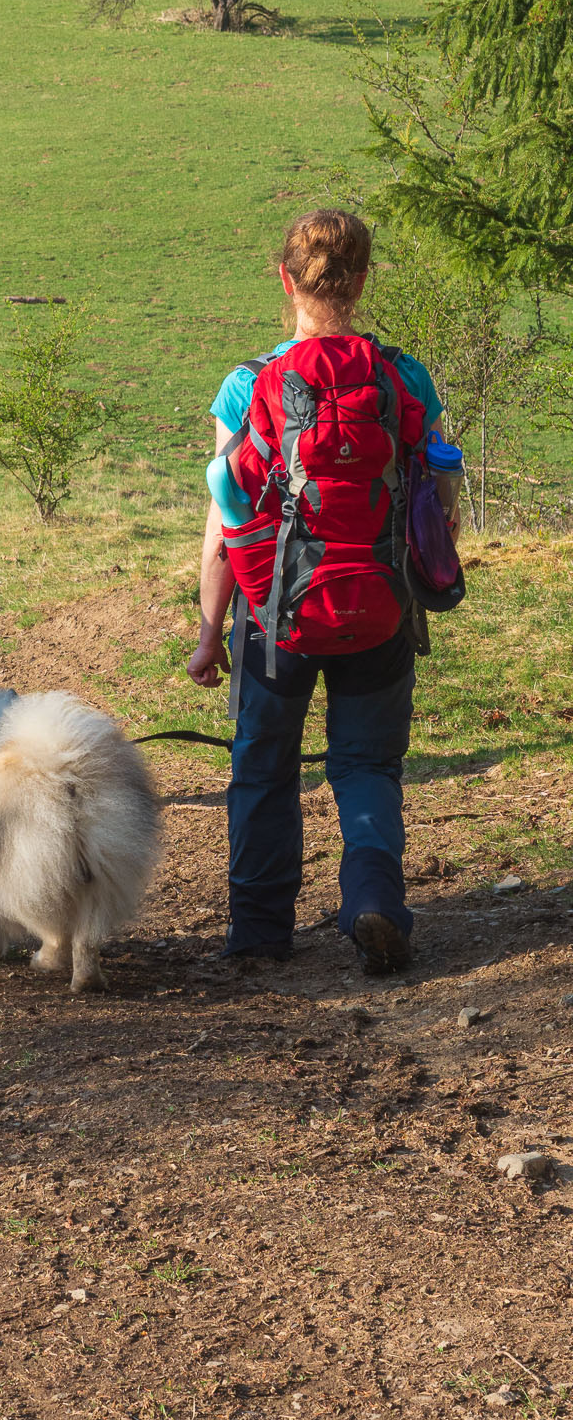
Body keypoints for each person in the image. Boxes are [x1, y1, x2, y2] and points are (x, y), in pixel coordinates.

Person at [187, 209, 454, 977]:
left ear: (285, 279)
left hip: (275, 615)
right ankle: (372, 900)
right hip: (378, 606)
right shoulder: (404, 377)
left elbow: (222, 522)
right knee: (368, 765)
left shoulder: (248, 385)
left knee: (263, 764)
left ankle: (260, 933)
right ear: (363, 281)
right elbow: (437, 503)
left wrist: (212, 630)